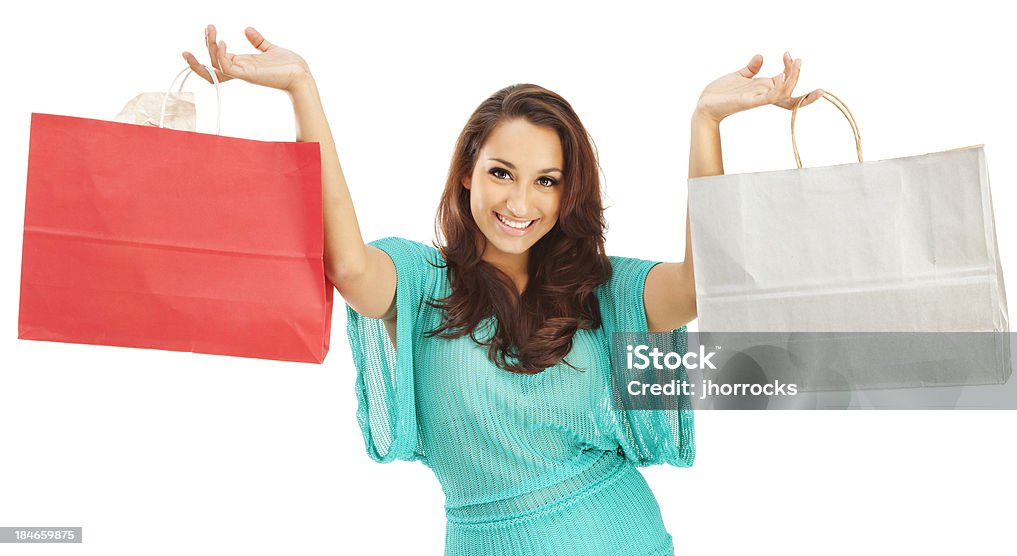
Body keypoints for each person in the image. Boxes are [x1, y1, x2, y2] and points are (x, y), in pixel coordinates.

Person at [183, 25, 822, 556]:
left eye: (546, 181)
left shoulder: (603, 289)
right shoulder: (421, 280)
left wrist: (706, 122)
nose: (520, 202)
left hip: (621, 537)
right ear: (467, 172)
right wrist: (302, 89)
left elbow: (699, 281)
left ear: (568, 191)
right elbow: (347, 267)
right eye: (501, 173)